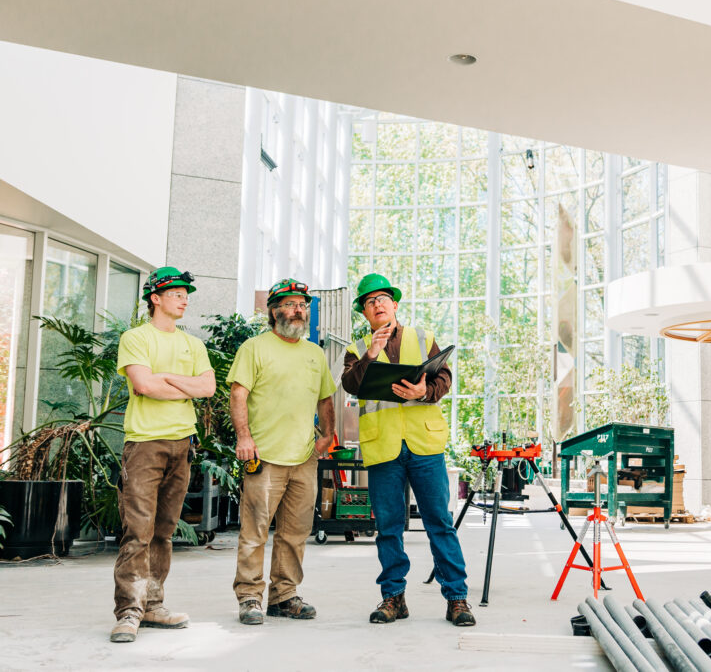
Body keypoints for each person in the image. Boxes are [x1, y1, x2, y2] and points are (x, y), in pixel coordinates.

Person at [341, 273, 475, 627]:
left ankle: (457, 599)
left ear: (395, 305)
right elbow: (351, 385)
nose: (377, 304)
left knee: (439, 523)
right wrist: (370, 353)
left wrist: (424, 392)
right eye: (370, 302)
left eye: (383, 298)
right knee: (388, 527)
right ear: (365, 314)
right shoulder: (356, 350)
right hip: (383, 448)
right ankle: (393, 598)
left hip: (424, 445)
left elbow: (443, 377)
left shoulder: (423, 337)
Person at [111, 267, 216, 643]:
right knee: (137, 531)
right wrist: (181, 385)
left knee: (164, 532)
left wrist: (167, 380)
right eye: (176, 293)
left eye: (186, 293)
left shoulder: (194, 345)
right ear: (155, 297)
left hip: (181, 444)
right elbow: (142, 384)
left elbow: (207, 387)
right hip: (144, 444)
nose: (184, 298)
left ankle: (153, 605)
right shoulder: (136, 338)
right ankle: (128, 612)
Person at [229, 277, 336, 625]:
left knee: (295, 532)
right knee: (255, 531)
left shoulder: (314, 353)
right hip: (264, 456)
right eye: (290, 304)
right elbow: (238, 395)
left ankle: (284, 595)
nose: (298, 310)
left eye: (303, 305)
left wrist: (328, 435)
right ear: (274, 311)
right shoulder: (254, 348)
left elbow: (325, 397)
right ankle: (249, 597)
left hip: (304, 457)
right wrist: (244, 437)